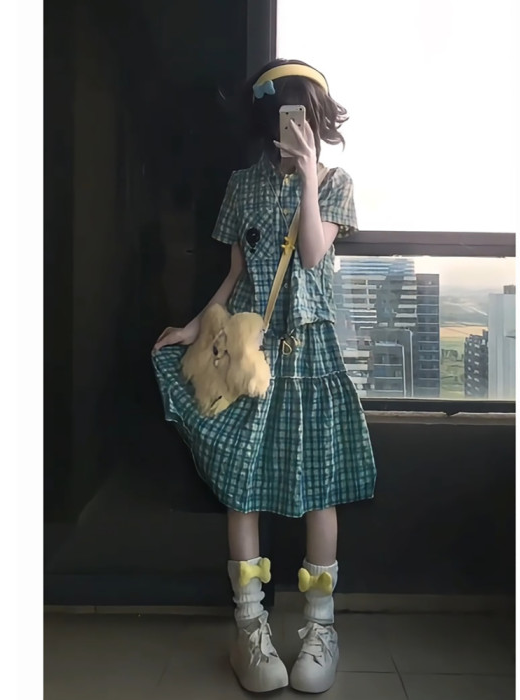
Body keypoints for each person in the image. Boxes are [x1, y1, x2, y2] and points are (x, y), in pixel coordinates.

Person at [151, 58, 376, 694]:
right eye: (282, 113)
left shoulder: (335, 182)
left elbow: (312, 254)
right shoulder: (241, 184)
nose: (292, 124)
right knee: (243, 485)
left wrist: (307, 175)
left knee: (319, 485)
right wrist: (194, 327)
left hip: (310, 352)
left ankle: (320, 627)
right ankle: (249, 626)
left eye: (301, 113)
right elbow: (233, 275)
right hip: (250, 353)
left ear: (317, 117)